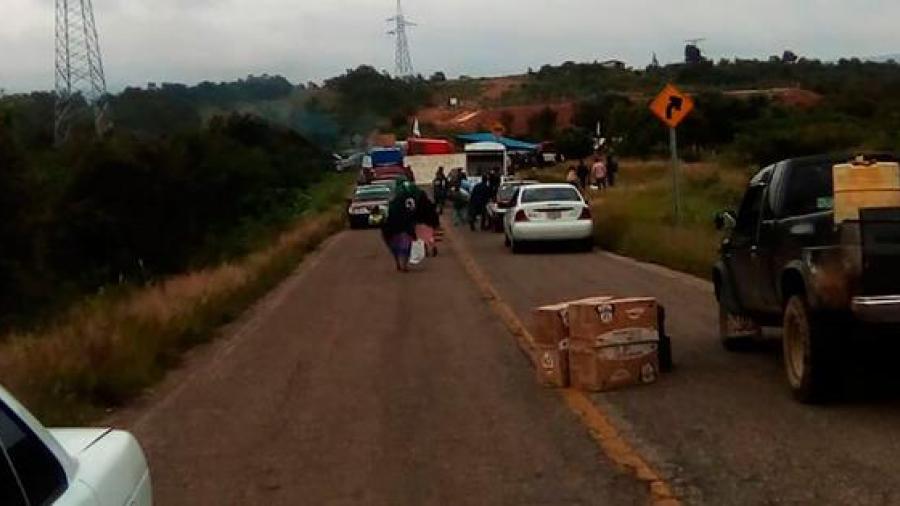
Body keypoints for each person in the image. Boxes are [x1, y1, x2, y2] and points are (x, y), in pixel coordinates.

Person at [381, 181, 419, 272]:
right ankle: (404, 265)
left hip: (393, 229)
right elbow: (412, 213)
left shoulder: (392, 204)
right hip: (404, 229)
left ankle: (398, 263)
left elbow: (387, 216)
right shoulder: (408, 203)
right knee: (406, 248)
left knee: (395, 248)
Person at [415, 191, 441, 257]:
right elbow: (435, 214)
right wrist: (436, 223)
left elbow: (415, 215)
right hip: (429, 223)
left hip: (420, 223)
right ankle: (433, 246)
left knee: (422, 238)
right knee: (430, 236)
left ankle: (425, 250)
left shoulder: (417, 206)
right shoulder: (430, 204)